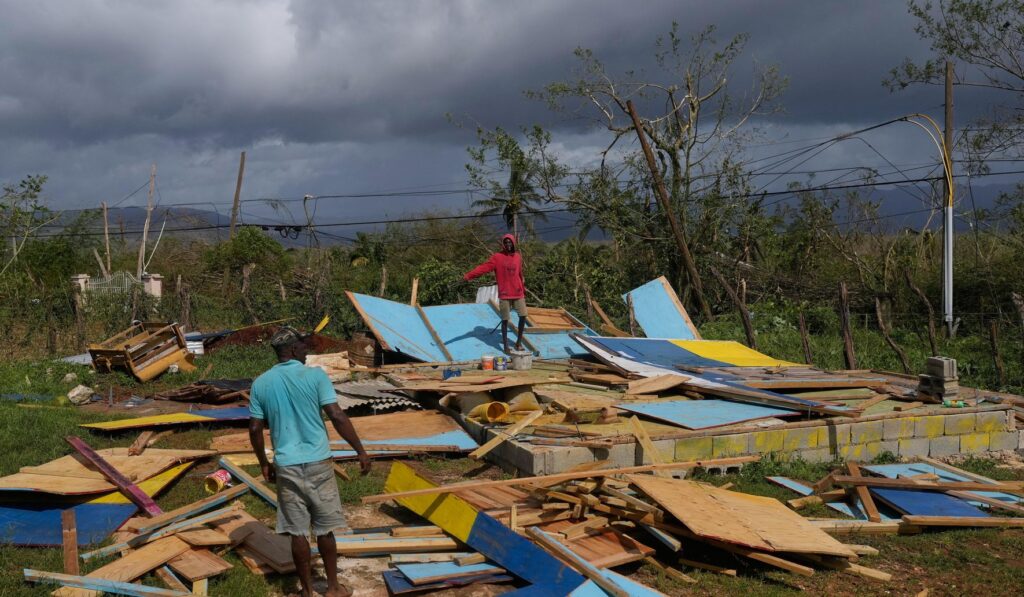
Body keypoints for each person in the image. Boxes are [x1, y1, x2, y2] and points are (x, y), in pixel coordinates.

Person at [248, 326, 371, 597]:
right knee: (325, 529)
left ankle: (306, 591)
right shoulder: (315, 376)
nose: (306, 350)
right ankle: (333, 588)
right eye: (303, 347)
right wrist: (360, 450)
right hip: (318, 462)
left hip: (287, 465)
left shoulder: (261, 383)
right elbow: (337, 415)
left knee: (298, 532)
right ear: (292, 349)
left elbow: (255, 429)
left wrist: (263, 463)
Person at [463, 233, 527, 353]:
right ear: (503, 244)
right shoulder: (497, 257)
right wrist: (468, 276)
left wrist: (523, 289)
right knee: (505, 320)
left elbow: (520, 274)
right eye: (506, 242)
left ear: (513, 243)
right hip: (505, 293)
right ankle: (505, 346)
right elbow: (483, 268)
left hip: (518, 293)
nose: (508, 244)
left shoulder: (518, 257)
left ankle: (518, 343)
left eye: (510, 242)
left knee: (523, 316)